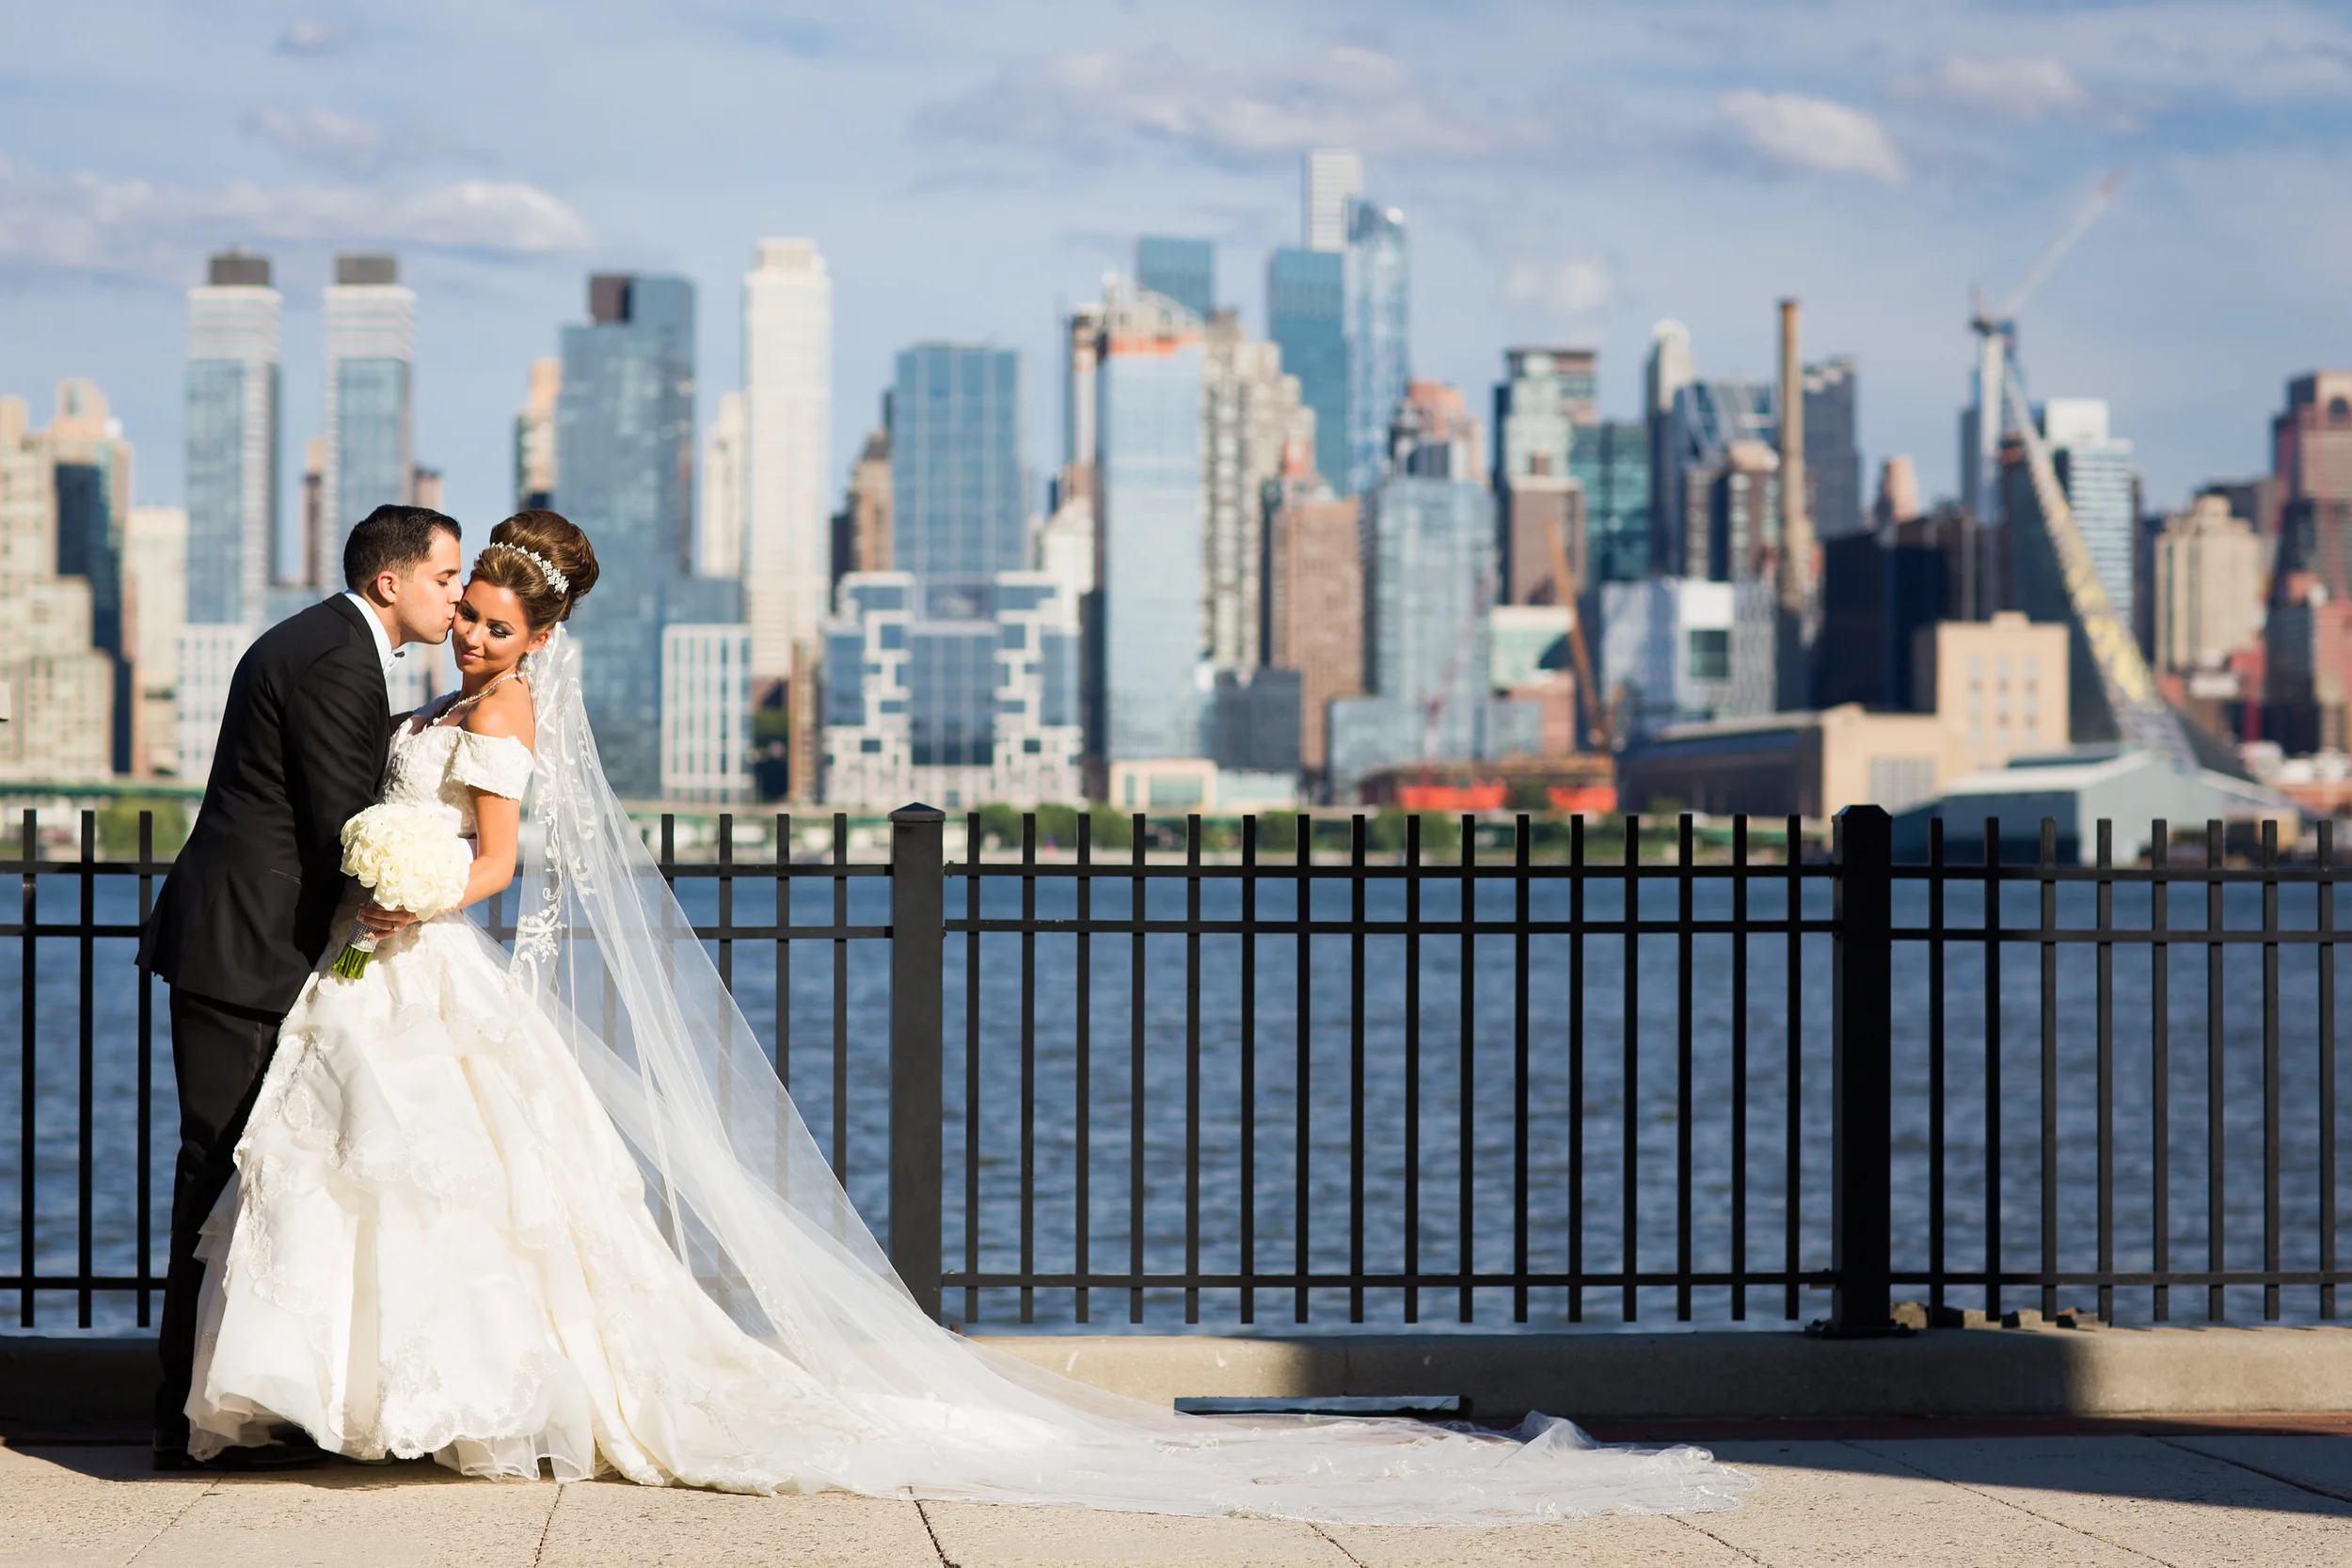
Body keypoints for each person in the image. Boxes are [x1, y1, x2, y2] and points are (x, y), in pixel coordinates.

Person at [183, 510, 1749, 1523]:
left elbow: (504, 861)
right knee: (382, 1188)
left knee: (460, 1195)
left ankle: (438, 1402)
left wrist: (414, 888)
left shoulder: (508, 714)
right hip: (370, 979)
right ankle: (355, 1399)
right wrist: (386, 874)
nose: (474, 635)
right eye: (468, 617)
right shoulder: (432, 699)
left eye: (499, 624)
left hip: (422, 959)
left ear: (542, 637)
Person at [139, 504, 465, 1470]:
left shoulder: (328, 643)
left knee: (256, 1169)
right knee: (222, 1169)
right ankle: (185, 1410)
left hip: (254, 944)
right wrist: (404, 890)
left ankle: (243, 1397)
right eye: (445, 577)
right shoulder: (335, 657)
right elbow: (339, 820)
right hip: (246, 952)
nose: (454, 594)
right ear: (391, 581)